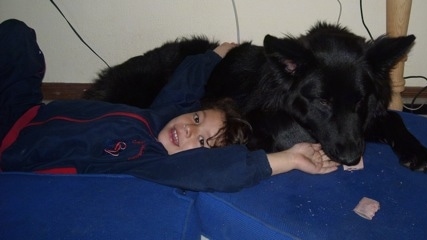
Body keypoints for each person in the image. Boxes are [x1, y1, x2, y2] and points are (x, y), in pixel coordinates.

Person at [0, 19, 339, 192]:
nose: (190, 131)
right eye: (196, 119)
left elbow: (215, 172)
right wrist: (215, 54)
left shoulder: (148, 161)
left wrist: (288, 158)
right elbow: (185, 84)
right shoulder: (159, 116)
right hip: (29, 108)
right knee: (17, 35)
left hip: (14, 148)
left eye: (202, 142)